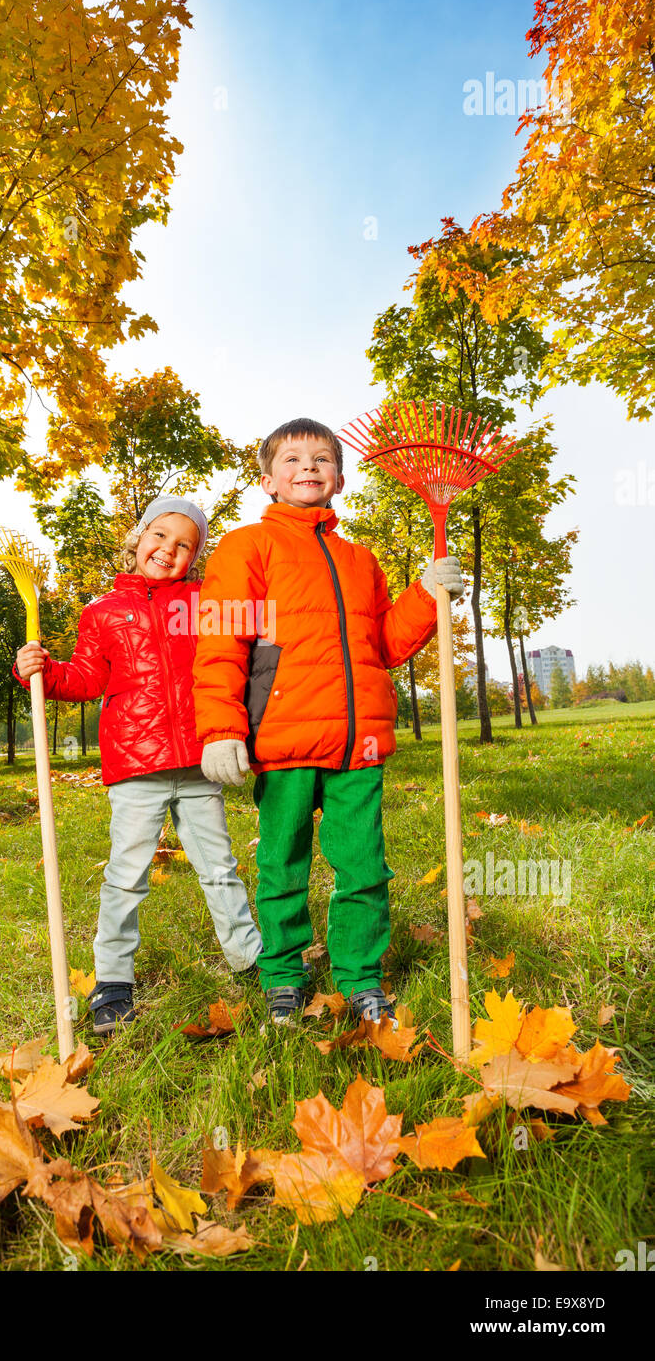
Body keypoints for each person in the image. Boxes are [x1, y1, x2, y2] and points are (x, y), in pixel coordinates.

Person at [193, 418, 464, 1026]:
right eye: (291, 459)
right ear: (268, 480)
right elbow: (220, 642)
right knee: (282, 866)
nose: (308, 467)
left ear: (339, 479)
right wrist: (221, 728)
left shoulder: (360, 560)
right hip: (283, 737)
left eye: (322, 459)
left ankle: (361, 976)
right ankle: (283, 974)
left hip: (356, 743)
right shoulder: (247, 547)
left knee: (363, 865)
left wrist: (426, 594)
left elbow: (384, 644)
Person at [13, 495, 262, 1036]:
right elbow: (85, 679)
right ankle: (113, 981)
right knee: (125, 877)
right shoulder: (102, 612)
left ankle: (249, 958)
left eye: (184, 545)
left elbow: (236, 653)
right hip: (135, 764)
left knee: (219, 868)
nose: (168, 550)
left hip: (198, 761)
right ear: (139, 537)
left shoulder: (204, 602)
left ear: (195, 557)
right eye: (160, 536)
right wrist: (43, 672)